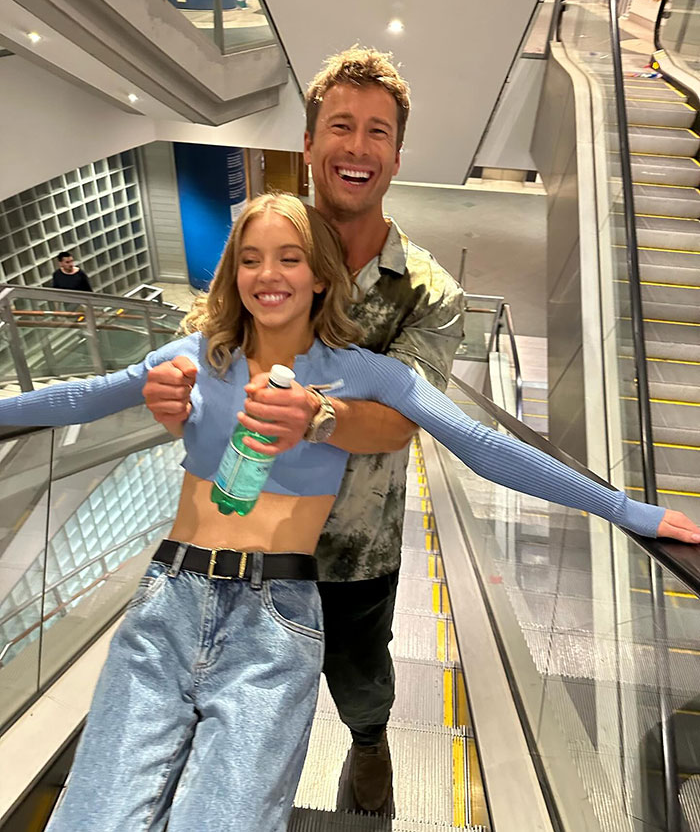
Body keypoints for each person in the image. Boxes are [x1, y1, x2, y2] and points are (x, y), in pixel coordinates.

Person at [2, 195, 699, 832]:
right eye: (250, 259)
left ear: (319, 275)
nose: (267, 274)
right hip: (166, 603)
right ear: (233, 274)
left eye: (288, 257)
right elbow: (78, 397)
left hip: (273, 619)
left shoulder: (359, 371)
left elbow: (482, 445)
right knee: (90, 817)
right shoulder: (195, 357)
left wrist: (626, 510)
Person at [143, 46, 464, 811]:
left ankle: (369, 740)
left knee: (360, 673)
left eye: (378, 132)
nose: (359, 146)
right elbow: (214, 343)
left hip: (356, 549)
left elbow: (400, 423)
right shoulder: (264, 246)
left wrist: (317, 416)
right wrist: (180, 388)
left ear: (397, 154)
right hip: (244, 533)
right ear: (311, 141)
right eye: (341, 126)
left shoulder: (428, 292)